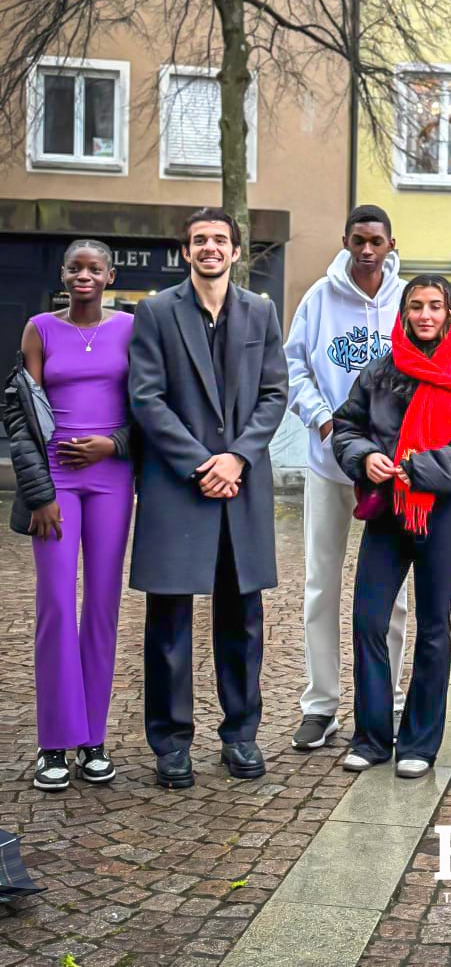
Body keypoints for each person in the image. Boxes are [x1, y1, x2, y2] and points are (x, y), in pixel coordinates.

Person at [128, 208, 288, 790]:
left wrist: (237, 456)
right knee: (168, 618)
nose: (210, 248)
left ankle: (240, 735)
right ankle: (170, 743)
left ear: (236, 250)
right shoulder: (154, 311)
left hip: (240, 483)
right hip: (180, 484)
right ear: (186, 251)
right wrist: (201, 462)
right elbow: (146, 398)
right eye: (200, 240)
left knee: (241, 615)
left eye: (220, 239)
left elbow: (275, 393)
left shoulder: (261, 311)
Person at [332, 276, 451, 778]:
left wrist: (420, 467)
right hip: (387, 512)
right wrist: (365, 458)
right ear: (404, 314)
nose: (425, 315)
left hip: (444, 513)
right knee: (368, 620)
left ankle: (420, 743)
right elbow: (348, 428)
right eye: (415, 306)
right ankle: (370, 738)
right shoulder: (379, 373)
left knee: (433, 628)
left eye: (434, 306)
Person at [4, 240, 134, 791]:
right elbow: (20, 411)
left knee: (102, 606)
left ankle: (93, 740)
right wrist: (39, 494)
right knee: (56, 604)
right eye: (75, 268)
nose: (85, 275)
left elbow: (147, 404)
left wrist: (115, 444)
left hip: (111, 481)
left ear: (108, 276)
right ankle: (53, 742)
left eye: (94, 268)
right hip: (56, 483)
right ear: (63, 274)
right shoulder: (39, 328)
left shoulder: (130, 328)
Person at [285, 205, 408, 752]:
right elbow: (292, 368)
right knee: (321, 584)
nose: (366, 249)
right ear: (345, 241)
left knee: (396, 594)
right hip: (330, 462)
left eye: (375, 241)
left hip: (393, 469)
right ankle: (321, 703)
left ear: (390, 244)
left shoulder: (409, 299)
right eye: (358, 240)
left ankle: (394, 698)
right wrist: (323, 418)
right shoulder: (318, 298)